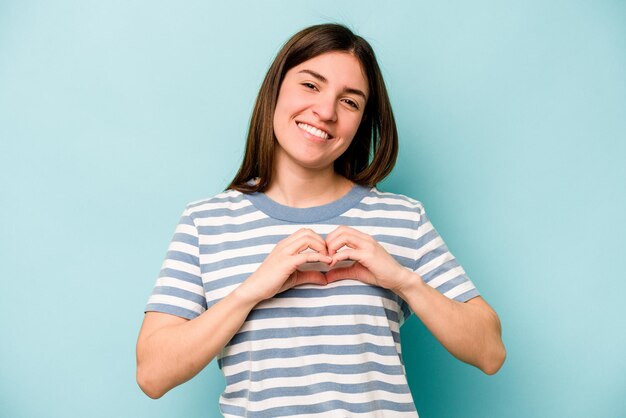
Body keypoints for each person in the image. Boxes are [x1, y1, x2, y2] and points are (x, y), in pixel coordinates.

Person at [136, 23, 506, 417]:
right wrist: (252, 290)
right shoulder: (205, 222)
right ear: (276, 88)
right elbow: (153, 374)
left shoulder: (402, 218)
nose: (326, 112)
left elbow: (490, 351)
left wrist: (402, 280)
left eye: (349, 102)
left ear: (362, 121)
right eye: (311, 85)